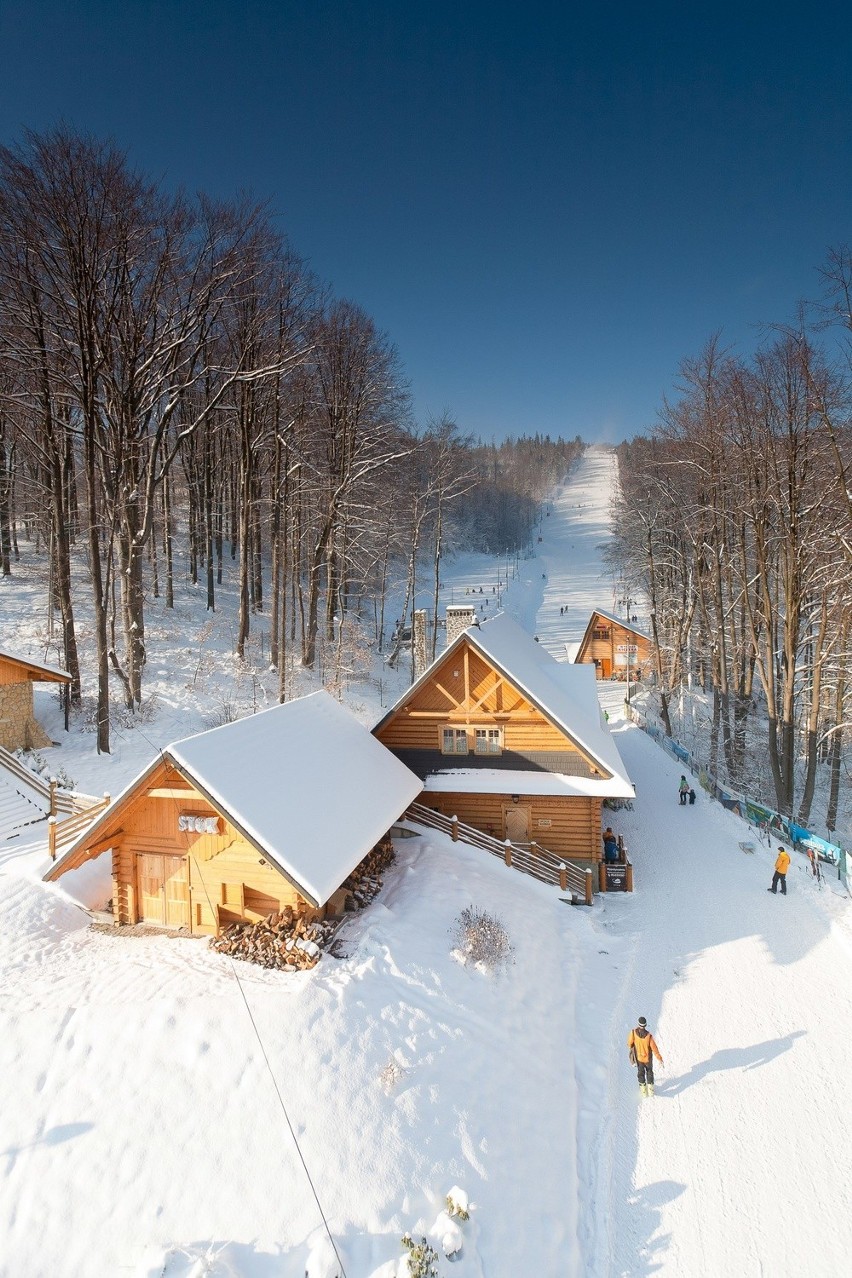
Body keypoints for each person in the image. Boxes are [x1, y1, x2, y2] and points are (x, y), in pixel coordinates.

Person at [627, 1017, 664, 1097]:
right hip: (648, 1059)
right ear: (645, 1025)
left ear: (638, 1024)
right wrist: (660, 1059)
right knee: (649, 1072)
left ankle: (643, 1091)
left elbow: (629, 1043)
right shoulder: (649, 1036)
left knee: (641, 1073)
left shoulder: (633, 1033)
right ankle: (651, 1091)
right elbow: (655, 1049)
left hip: (639, 1058)